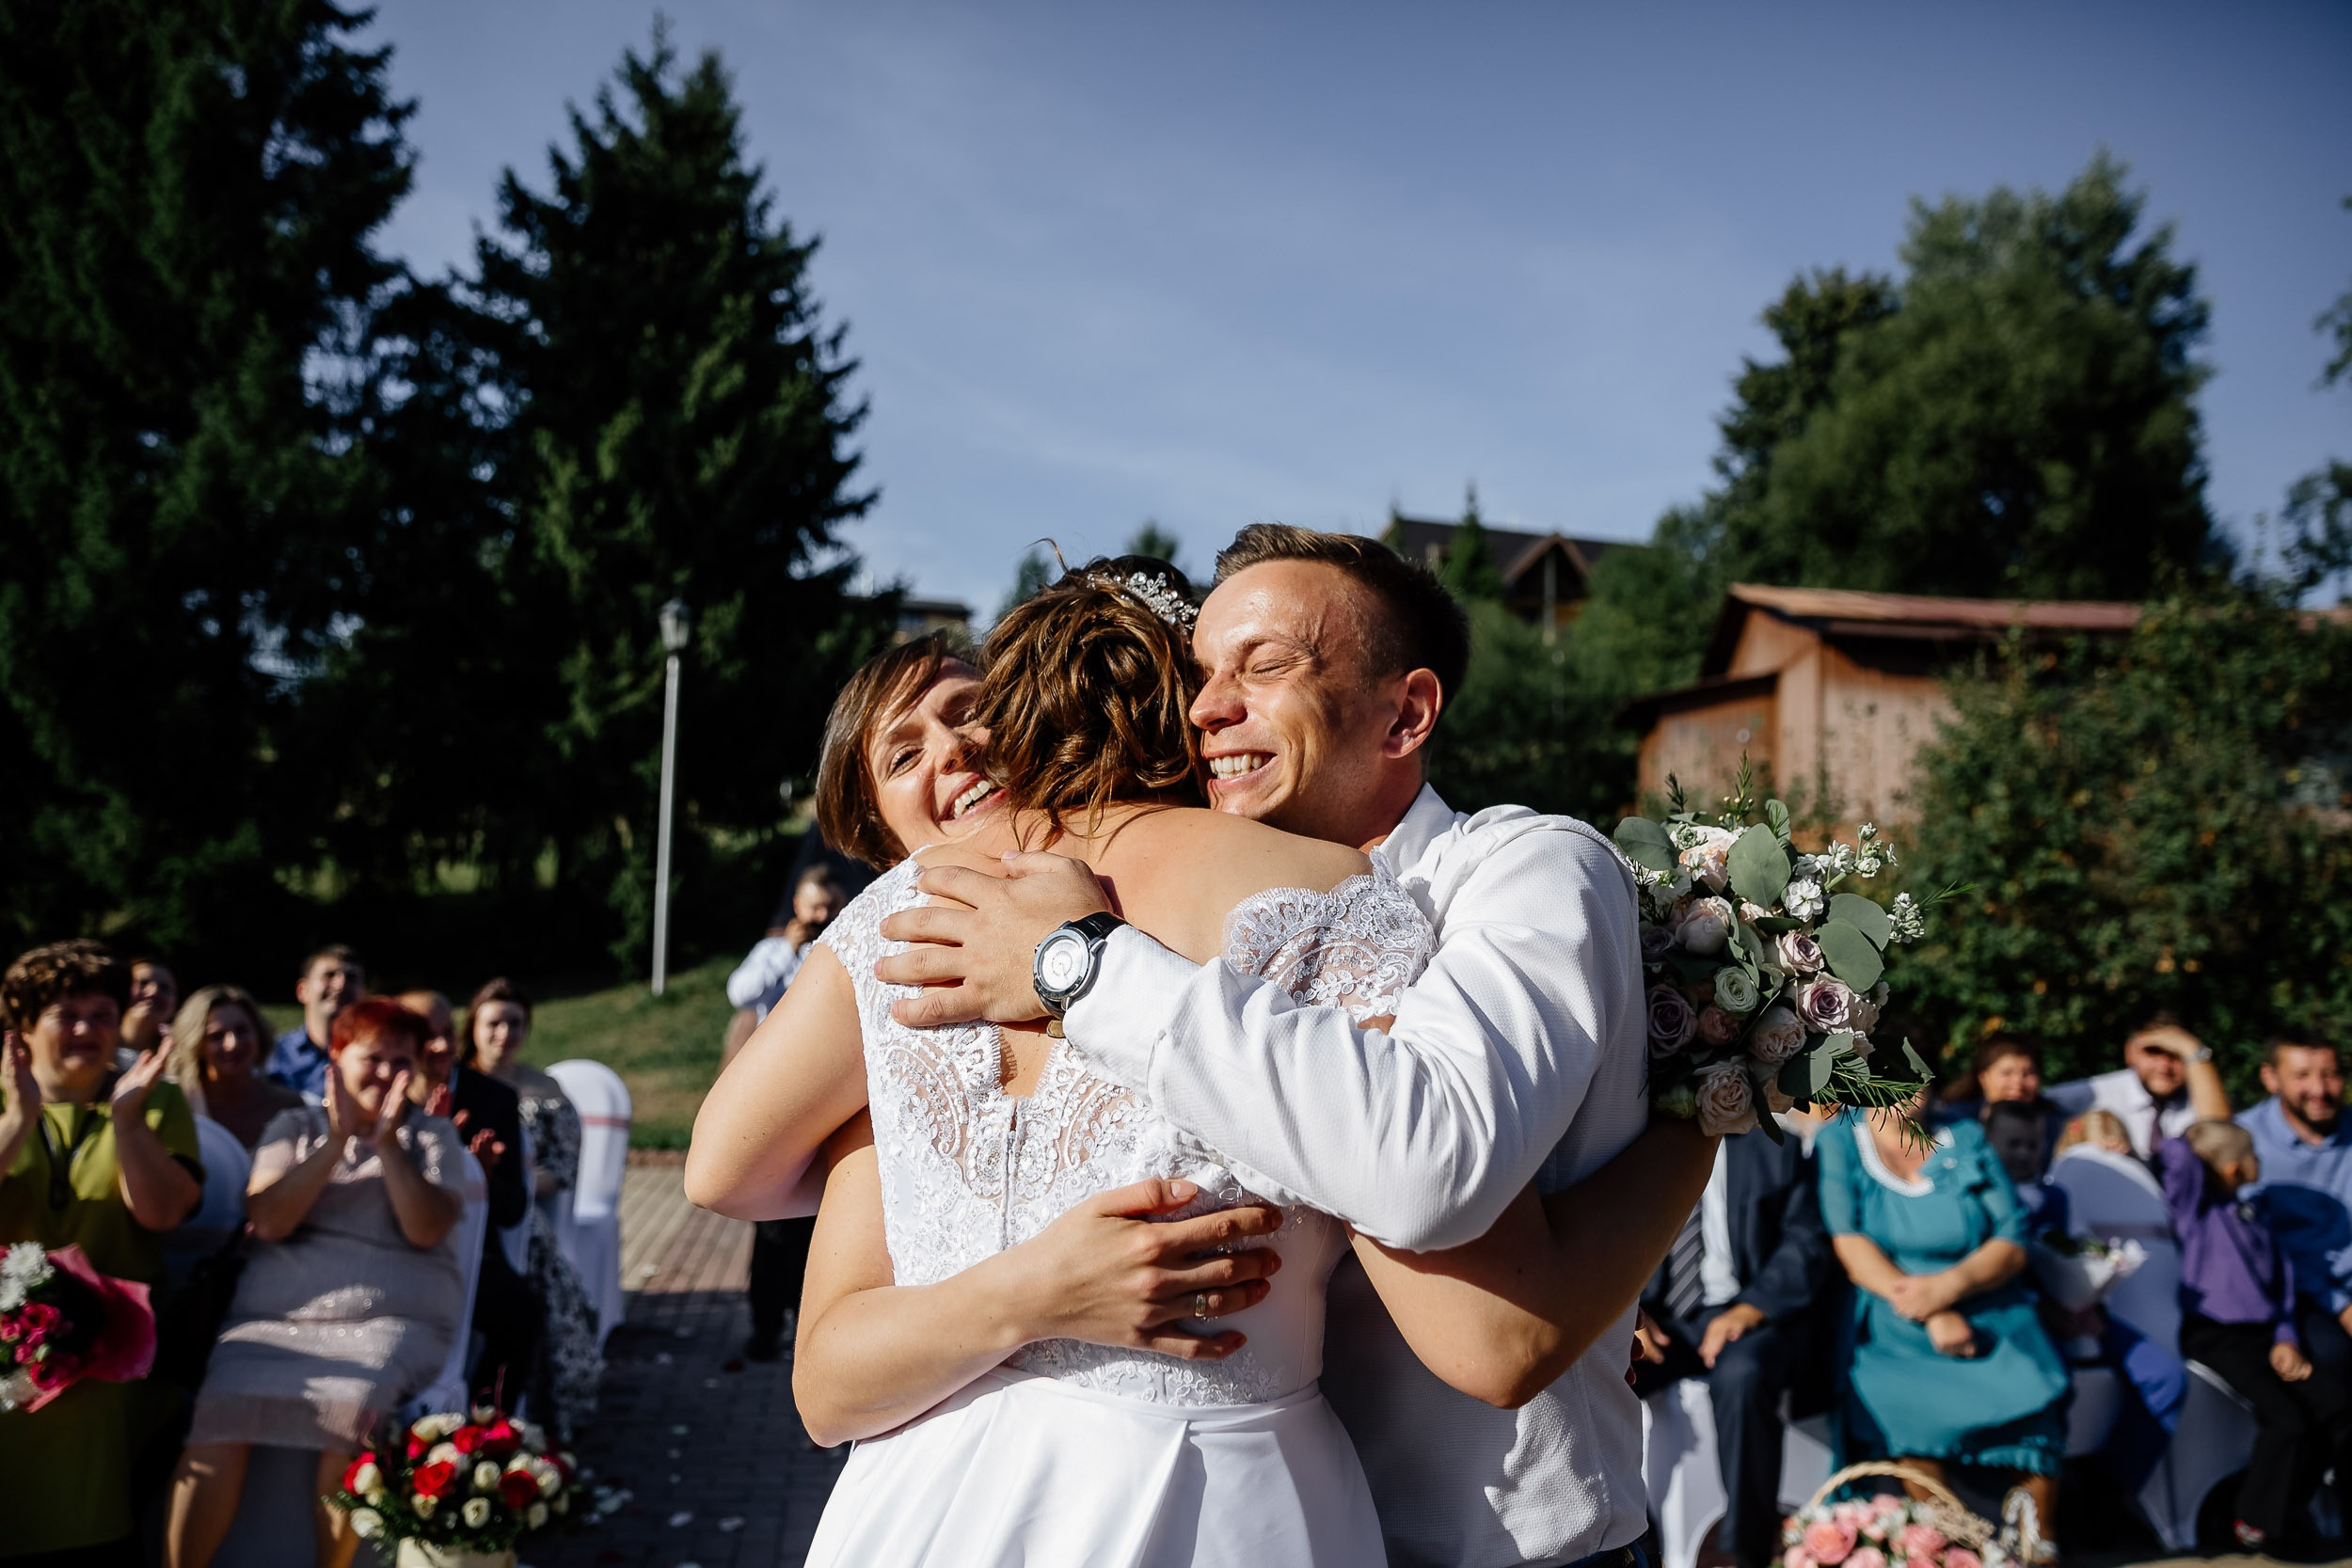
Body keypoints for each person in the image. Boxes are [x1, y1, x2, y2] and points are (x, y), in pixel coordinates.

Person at [697, 533, 1716, 1568]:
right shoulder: (976, 950)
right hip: (1210, 1495)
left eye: (1261, 666)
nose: (1210, 706)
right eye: (1199, 672)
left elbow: (1487, 1314)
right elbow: (813, 1350)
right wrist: (1019, 1266)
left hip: (1482, 1539)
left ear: (1406, 713)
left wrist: (1712, 1097)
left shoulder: (1508, 871)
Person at [166, 998, 466, 1568]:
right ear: (338, 1058)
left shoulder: (433, 1137)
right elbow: (269, 1221)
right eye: (373, 1058)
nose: (386, 1073)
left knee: (353, 1401)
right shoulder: (292, 1127)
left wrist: (386, 1144)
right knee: (219, 1406)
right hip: (275, 1321)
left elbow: (427, 1230)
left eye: (401, 1062)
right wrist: (334, 1142)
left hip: (389, 1320)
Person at [1, 940, 203, 1565]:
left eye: (102, 1015)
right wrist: (18, 1119)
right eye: (67, 1014)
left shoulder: (155, 1100)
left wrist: (128, 1120)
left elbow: (162, 1213)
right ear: (24, 1026)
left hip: (111, 1376)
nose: (87, 1030)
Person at [1819, 1094, 2071, 1562]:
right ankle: (1952, 1550)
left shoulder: (1966, 1137)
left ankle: (2037, 1544)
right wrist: (1930, 1310)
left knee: (2036, 1395)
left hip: (1986, 1303)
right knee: (1903, 1406)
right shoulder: (1841, 1139)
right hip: (1892, 1313)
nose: (1903, 1086)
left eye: (1915, 1073)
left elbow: (2011, 1237)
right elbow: (1849, 1244)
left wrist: (1950, 1287)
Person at [1632, 1125, 1832, 1568]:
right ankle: (1634, 1534)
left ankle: (1748, 1548)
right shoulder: (1636, 1143)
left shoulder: (1775, 1147)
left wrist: (1751, 1309)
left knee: (1744, 1377)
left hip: (1743, 1311)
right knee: (1601, 1370)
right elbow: (1608, 1233)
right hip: (1657, 1318)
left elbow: (1805, 1243)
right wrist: (1627, 1313)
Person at [2157, 1119, 2350, 1551]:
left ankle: (2287, 1510)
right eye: (2252, 1155)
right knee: (2287, 1419)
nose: (2259, 1161)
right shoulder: (2196, 1211)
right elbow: (2177, 1157)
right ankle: (2253, 1521)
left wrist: (2287, 1338)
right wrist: (2197, 1138)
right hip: (2218, 1335)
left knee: (2337, 1408)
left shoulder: (2255, 1217)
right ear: (2233, 1168)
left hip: (2269, 1337)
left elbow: (2282, 1288)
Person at [464, 978, 601, 1439]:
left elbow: (565, 1166)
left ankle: (540, 1415)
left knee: (558, 1298)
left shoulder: (544, 1089)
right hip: (463, 1212)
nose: (504, 1033)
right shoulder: (457, 1082)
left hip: (521, 1213)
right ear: (473, 1026)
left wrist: (516, 1181)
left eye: (515, 1023)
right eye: (493, 1023)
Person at [723, 865, 848, 1361]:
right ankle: (766, 1324)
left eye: (830, 908)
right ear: (797, 907)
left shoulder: (849, 945)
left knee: (821, 1216)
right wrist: (788, 952)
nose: (821, 916)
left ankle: (810, 1324)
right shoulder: (774, 951)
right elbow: (740, 993)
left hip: (834, 1092)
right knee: (772, 1217)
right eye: (814, 907)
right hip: (779, 1092)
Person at [398, 989, 534, 1407]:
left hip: (469, 1253)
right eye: (427, 1036)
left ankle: (482, 1422)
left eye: (448, 1032)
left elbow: (514, 1210)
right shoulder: (383, 1094)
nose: (441, 1045)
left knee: (523, 1313)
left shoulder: (494, 1098)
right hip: (395, 1249)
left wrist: (479, 1179)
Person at [2237, 1037, 2352, 1390]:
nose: (2319, 1089)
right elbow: (2256, 1248)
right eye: (2302, 1075)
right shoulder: (2244, 1142)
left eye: (2330, 1075)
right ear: (2270, 1078)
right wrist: (2342, 1305)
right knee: (2332, 1360)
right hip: (2291, 1298)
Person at [2045, 1017, 2230, 1161]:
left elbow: (2222, 1139)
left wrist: (2194, 1050)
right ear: (2130, 1052)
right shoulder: (2096, 1093)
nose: (2164, 1066)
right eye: (2153, 1051)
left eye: (2176, 1054)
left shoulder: (2201, 1097)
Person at [167, 985, 306, 1150]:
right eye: (216, 1036)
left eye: (242, 1031)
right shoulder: (179, 1106)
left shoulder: (290, 1105)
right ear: (196, 1043)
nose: (233, 1044)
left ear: (258, 1034)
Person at [1938, 1035, 2073, 1190]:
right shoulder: (1956, 1122)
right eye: (2007, 1073)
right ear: (1983, 1077)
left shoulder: (2052, 1120)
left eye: (2028, 1073)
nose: (2018, 1083)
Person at [266, 946, 365, 1102]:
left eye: (351, 978)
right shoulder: (272, 1055)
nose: (340, 985)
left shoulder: (376, 1059)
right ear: (302, 990)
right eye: (329, 975)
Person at [119, 954, 180, 1065]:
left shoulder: (181, 1061)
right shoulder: (97, 1043)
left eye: (164, 988)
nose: (153, 991)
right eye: (143, 983)